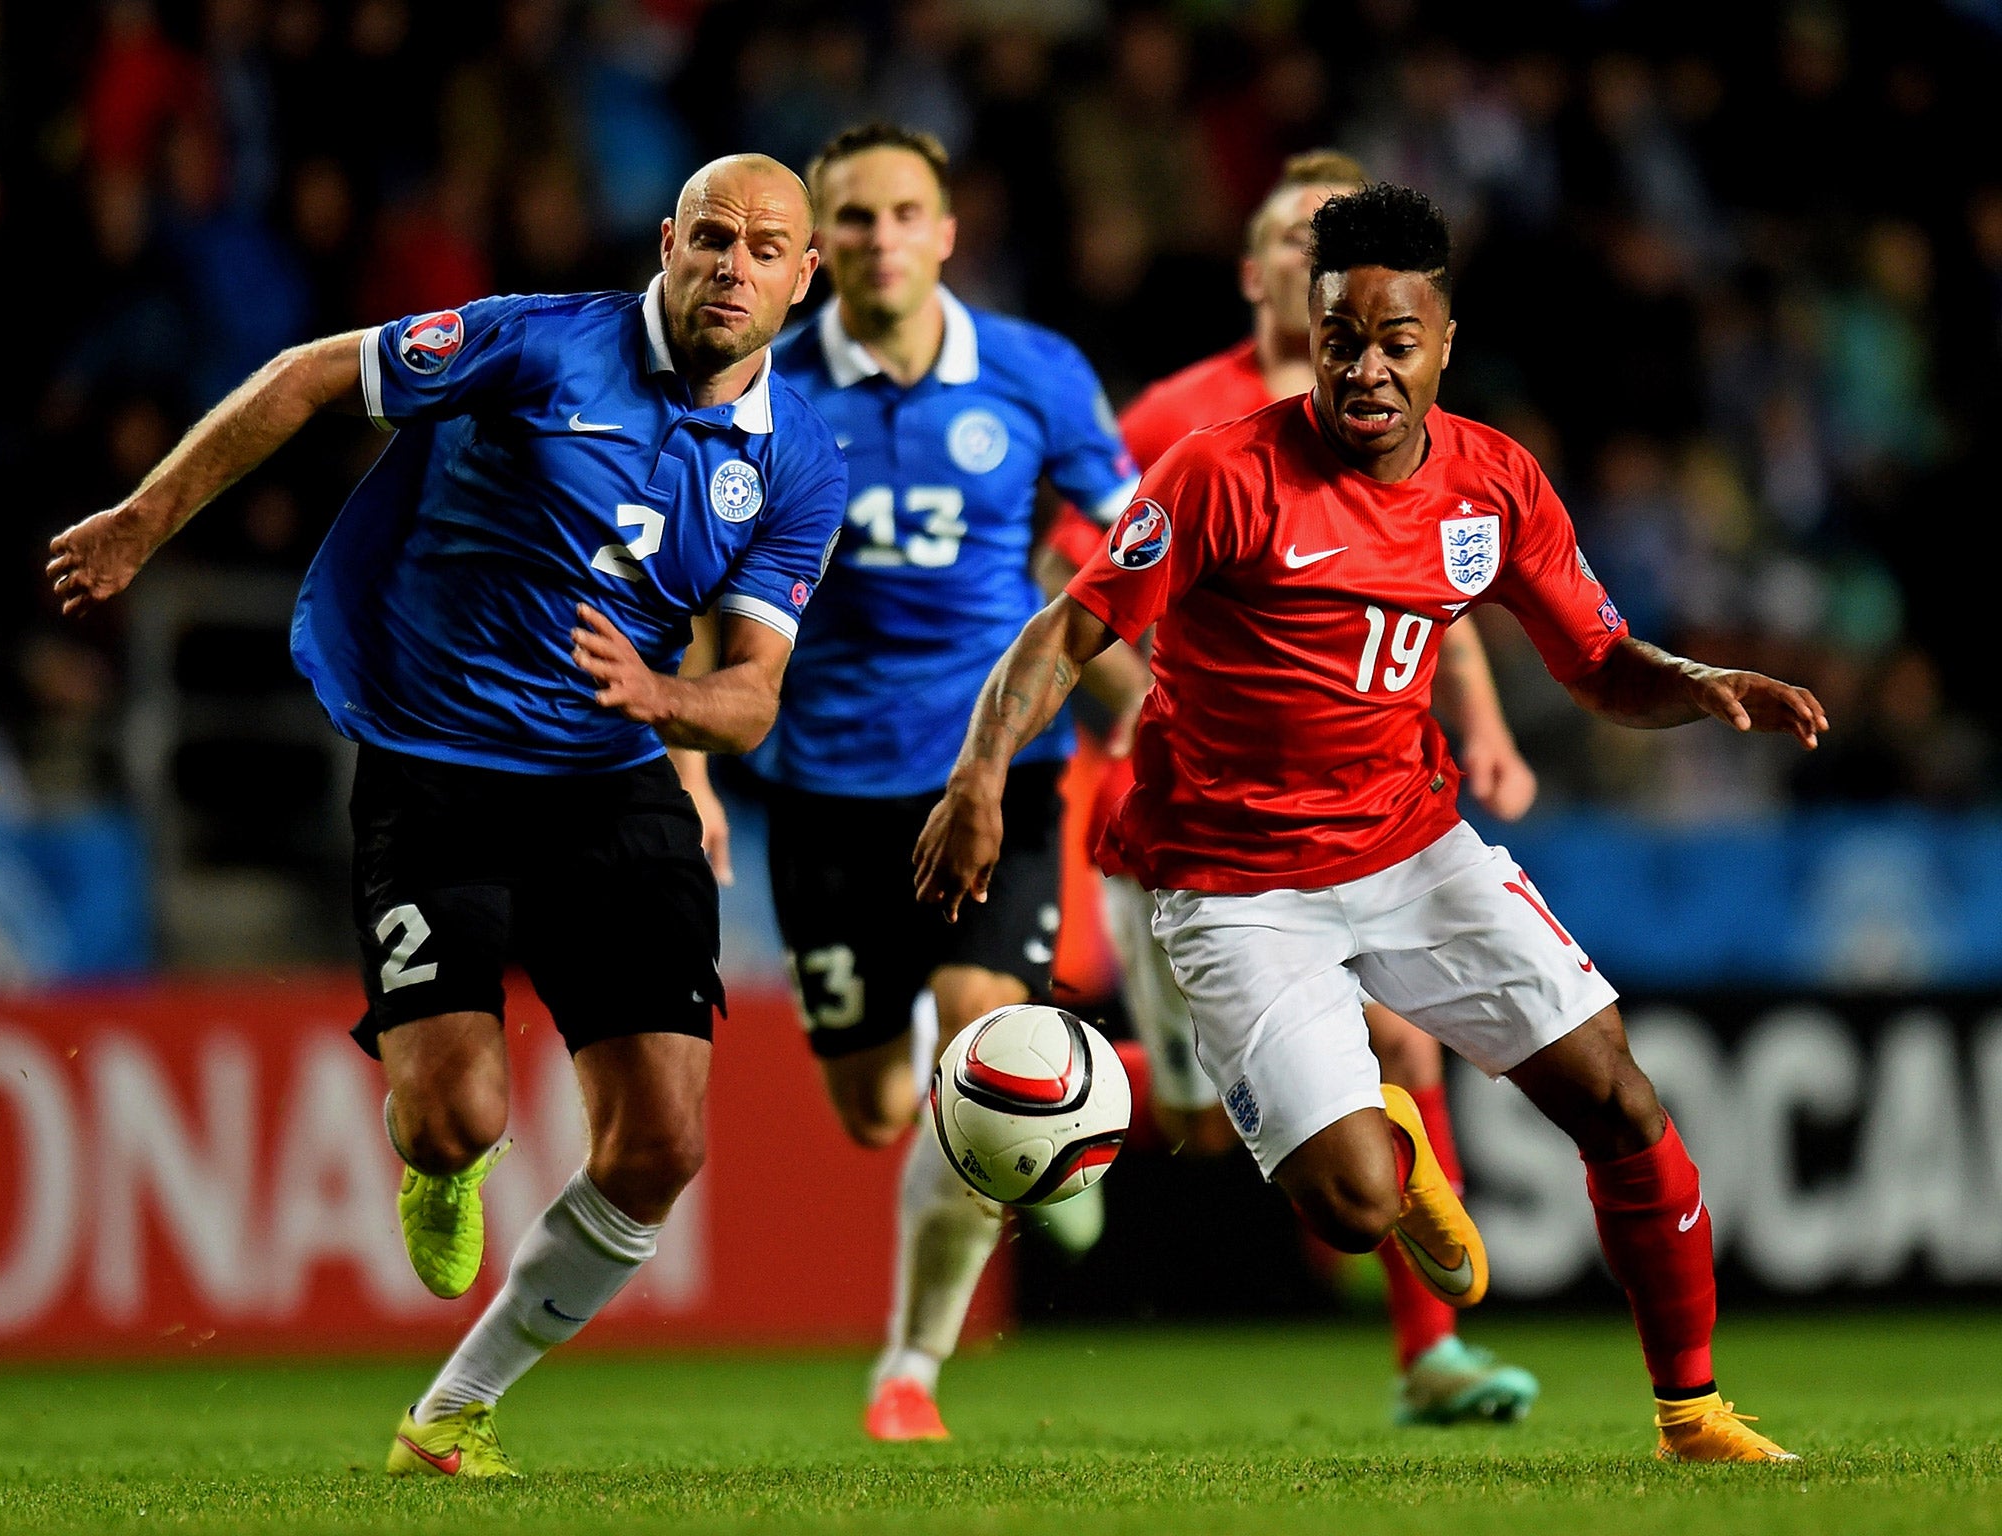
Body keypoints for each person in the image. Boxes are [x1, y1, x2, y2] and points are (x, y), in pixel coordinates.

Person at [916, 184, 1822, 1464]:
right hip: (1232, 885)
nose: (1366, 368)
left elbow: (1594, 658)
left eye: (1397, 342)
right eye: (1341, 337)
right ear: (1311, 328)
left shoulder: (1490, 482)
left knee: (1617, 1100)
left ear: (1442, 343)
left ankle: (1691, 1413)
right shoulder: (1222, 471)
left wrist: (1693, 683)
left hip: (1412, 846)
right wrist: (978, 778)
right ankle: (1392, 1142)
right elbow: (1071, 626)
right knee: (1347, 1209)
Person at [46, 155, 846, 1477]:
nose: (733, 265)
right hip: (436, 769)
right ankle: (436, 1163)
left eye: (766, 247)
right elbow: (310, 373)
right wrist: (146, 520)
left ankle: (456, 1410)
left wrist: (664, 696)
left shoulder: (799, 464)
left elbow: (754, 699)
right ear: (666, 243)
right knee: (456, 1115)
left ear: (802, 278)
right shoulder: (538, 347)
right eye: (711, 237)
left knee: (663, 1143)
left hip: (610, 777)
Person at [1041, 150, 1540, 1426]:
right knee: (1205, 1125)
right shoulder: (1177, 427)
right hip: (1203, 816)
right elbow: (1070, 590)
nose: (1300, 253)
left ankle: (1426, 1352)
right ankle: (1067, 1095)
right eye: (1285, 236)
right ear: (1263, 270)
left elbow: (1447, 584)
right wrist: (1159, 711)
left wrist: (1480, 723)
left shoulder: (1403, 424)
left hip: (1376, 810)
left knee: (1401, 1035)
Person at [743, 123, 1141, 1443]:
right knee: (870, 1112)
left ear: (946, 231)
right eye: (849, 219)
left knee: (984, 1062)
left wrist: (1152, 687)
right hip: (827, 790)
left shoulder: (1033, 372)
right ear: (813, 251)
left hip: (1001, 768)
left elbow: (1139, 537)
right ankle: (1062, 1091)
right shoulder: (765, 384)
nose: (878, 238)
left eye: (903, 211)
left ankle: (908, 1368)